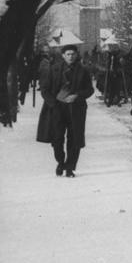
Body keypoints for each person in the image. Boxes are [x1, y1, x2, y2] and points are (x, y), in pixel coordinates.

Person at [37, 44, 95, 177]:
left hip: (76, 108)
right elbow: (44, 89)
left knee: (74, 139)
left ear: (77, 55)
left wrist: (77, 96)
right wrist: (53, 102)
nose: (71, 56)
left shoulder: (83, 70)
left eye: (73, 54)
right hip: (57, 108)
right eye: (68, 54)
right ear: (63, 55)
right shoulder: (54, 69)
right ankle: (60, 162)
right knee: (57, 138)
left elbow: (89, 89)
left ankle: (70, 167)